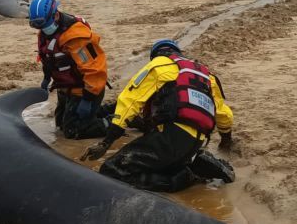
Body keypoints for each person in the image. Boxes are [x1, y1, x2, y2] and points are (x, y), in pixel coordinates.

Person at [81, 39, 235, 193]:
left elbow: (130, 100)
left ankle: (187, 177)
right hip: (196, 140)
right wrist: (225, 140)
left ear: (156, 55)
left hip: (171, 136)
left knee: (112, 170)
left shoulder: (159, 64)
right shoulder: (206, 75)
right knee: (162, 163)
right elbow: (224, 114)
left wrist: (107, 142)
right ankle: (195, 162)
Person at [29, 0, 109, 139]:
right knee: (60, 125)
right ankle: (101, 112)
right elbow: (48, 58)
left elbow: (95, 69)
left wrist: (88, 98)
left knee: (73, 131)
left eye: (44, 25)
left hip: (86, 89)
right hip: (65, 88)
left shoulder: (76, 37)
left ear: (56, 15)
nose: (42, 30)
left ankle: (115, 123)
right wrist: (46, 78)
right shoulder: (46, 32)